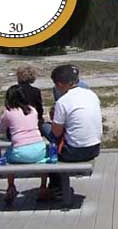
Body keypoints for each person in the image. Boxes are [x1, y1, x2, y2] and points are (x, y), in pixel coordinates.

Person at [43, 65, 102, 197]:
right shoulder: (91, 95)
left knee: (45, 128)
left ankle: (55, 186)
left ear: (59, 84)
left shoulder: (63, 102)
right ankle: (55, 185)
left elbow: (56, 133)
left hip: (73, 152)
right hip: (94, 148)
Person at [0, 85, 46, 203]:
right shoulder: (33, 110)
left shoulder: (8, 112)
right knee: (44, 160)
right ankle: (43, 186)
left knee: (6, 157)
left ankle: (11, 186)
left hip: (21, 151)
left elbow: (0, 132)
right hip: (39, 148)